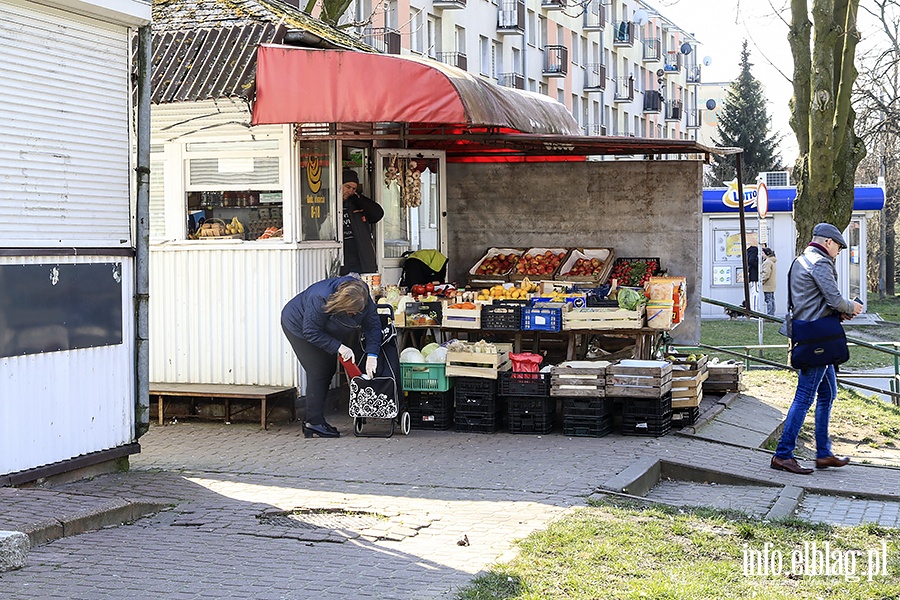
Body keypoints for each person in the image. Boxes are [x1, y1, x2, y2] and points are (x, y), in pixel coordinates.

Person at [770, 223, 863, 474]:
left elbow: (812, 300)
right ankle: (783, 454)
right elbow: (834, 298)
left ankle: (823, 453)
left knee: (828, 393)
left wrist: (838, 311)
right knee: (804, 397)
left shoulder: (801, 260)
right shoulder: (820, 262)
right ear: (828, 243)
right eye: (838, 248)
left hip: (810, 334)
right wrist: (850, 306)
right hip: (818, 340)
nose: (838, 253)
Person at [281, 276, 382, 438]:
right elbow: (311, 332)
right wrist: (339, 347)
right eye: (351, 312)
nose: (354, 314)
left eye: (357, 312)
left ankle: (313, 420)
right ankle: (314, 422)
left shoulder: (363, 297)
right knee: (318, 370)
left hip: (323, 329)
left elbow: (373, 327)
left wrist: (372, 355)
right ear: (341, 305)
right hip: (298, 326)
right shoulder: (320, 298)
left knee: (327, 369)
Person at [340, 169, 384, 275]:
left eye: (353, 188)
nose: (350, 191)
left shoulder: (357, 203)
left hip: (360, 257)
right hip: (340, 256)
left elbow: (378, 214)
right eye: (347, 187)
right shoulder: (329, 203)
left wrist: (360, 199)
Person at [760, 247, 777, 316]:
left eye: (763, 253)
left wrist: (761, 281)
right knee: (772, 300)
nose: (762, 255)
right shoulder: (772, 261)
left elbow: (766, 274)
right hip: (772, 284)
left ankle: (769, 315)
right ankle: (772, 314)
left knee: (768, 300)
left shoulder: (767, 262)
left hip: (767, 284)